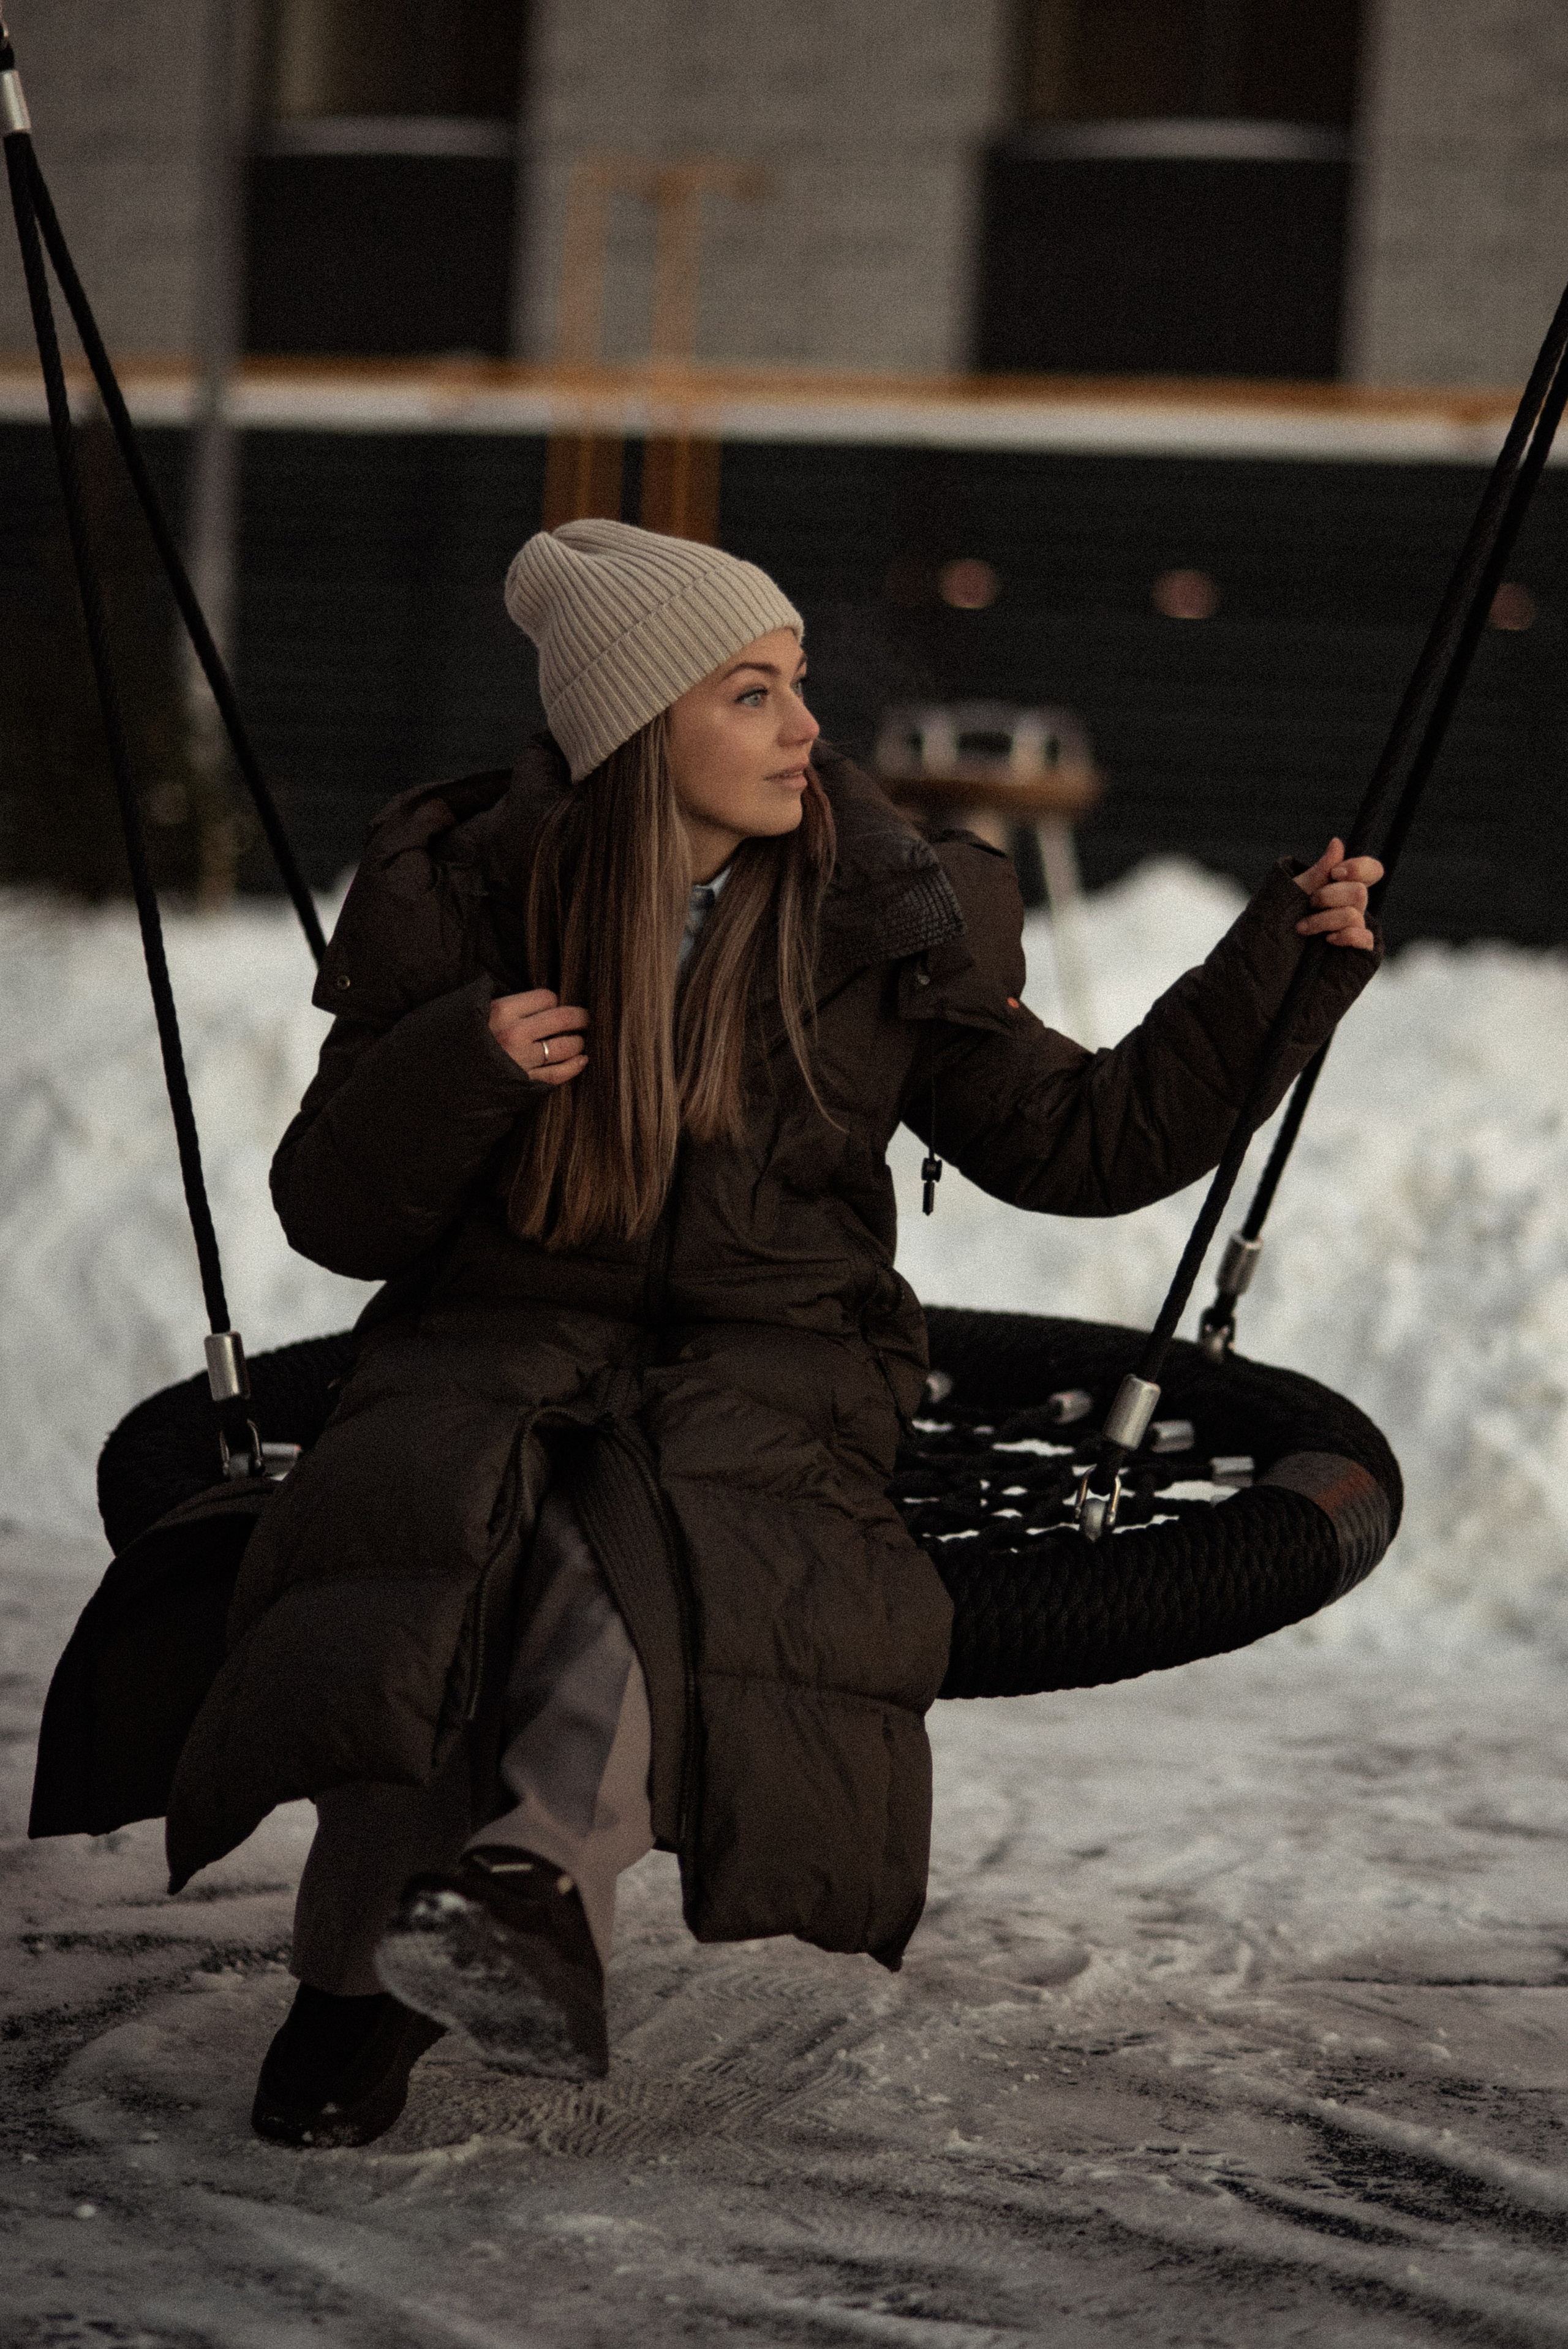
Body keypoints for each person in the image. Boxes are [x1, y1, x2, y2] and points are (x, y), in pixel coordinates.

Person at [160, 521, 1383, 2149]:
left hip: (778, 1354)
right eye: (752, 692)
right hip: (495, 1338)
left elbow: (1075, 1137)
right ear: (640, 730)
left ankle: (510, 1899)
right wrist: (460, 1059)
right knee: (446, 1550)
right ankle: (375, 1968)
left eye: (798, 682)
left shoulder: (876, 909)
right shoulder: (469, 902)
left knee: (646, 1529)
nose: (807, 725)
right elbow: (333, 1208)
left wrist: (1272, 978)